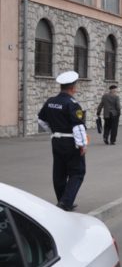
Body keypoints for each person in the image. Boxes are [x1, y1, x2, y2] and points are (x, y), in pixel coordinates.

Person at [37, 71, 88, 211]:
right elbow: (78, 126)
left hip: (56, 141)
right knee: (77, 172)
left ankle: (62, 200)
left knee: (59, 172)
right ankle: (65, 203)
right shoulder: (72, 104)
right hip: (71, 142)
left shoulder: (50, 101)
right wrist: (82, 145)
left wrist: (53, 132)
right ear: (73, 88)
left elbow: (41, 120)